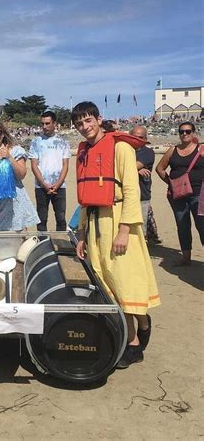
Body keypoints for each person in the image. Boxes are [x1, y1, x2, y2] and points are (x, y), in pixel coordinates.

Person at [72, 102, 160, 369]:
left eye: (88, 121)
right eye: (79, 124)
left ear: (99, 119)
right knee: (106, 282)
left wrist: (124, 231)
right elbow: (87, 200)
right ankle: (139, 326)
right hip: (97, 222)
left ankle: (133, 344)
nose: (84, 127)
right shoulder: (85, 152)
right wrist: (83, 234)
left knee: (124, 281)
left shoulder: (120, 148)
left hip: (119, 221)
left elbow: (131, 192)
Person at [156, 121, 204, 265]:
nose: (184, 134)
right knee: (182, 225)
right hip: (178, 196)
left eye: (188, 131)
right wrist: (171, 183)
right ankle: (186, 256)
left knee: (201, 225)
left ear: (193, 133)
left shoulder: (201, 150)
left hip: (198, 194)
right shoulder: (173, 150)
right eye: (181, 131)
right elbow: (160, 168)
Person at [0, 120, 39, 231]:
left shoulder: (15, 151)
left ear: (3, 134)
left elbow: (22, 174)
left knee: (17, 241)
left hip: (14, 205)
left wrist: (9, 157)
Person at [30, 110, 71, 232]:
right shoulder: (36, 142)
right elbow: (34, 165)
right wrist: (43, 184)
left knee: (61, 217)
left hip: (59, 186)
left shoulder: (63, 142)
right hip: (41, 186)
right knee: (41, 218)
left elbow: (65, 165)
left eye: (47, 123)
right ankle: (43, 243)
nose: (44, 127)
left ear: (54, 123)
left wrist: (58, 184)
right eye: (42, 124)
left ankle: (61, 243)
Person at [129, 125, 161, 241]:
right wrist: (137, 169)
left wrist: (136, 168)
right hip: (125, 194)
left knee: (140, 229)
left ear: (145, 138)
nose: (137, 139)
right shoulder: (125, 149)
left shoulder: (147, 152)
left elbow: (126, 167)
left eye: (141, 137)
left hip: (142, 195)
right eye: (134, 137)